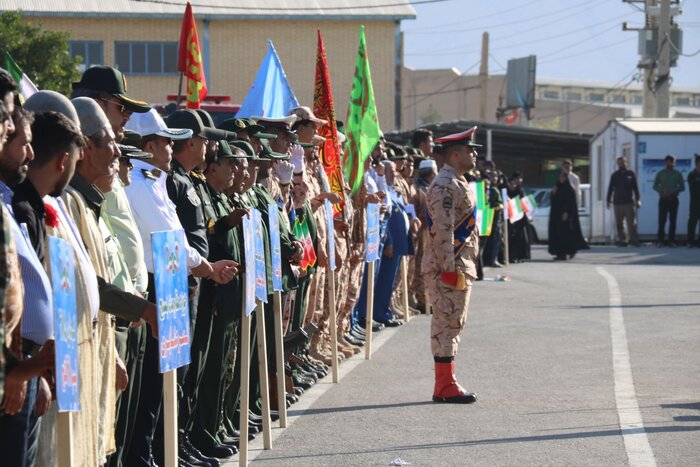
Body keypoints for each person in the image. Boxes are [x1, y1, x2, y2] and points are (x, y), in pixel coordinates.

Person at [424, 127, 480, 405]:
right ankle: (445, 385)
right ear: (455, 154)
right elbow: (443, 231)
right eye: (470, 149)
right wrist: (448, 268)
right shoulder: (446, 184)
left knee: (452, 324)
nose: (474, 153)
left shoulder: (457, 181)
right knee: (446, 324)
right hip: (449, 266)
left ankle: (447, 382)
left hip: (458, 264)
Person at [548, 171, 589, 260]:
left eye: (563, 177)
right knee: (557, 234)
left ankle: (566, 252)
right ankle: (560, 253)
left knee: (564, 235)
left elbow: (570, 203)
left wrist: (566, 212)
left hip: (565, 216)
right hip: (556, 216)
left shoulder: (569, 189)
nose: (561, 179)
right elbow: (553, 201)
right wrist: (553, 193)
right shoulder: (557, 188)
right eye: (560, 177)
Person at [606, 156, 641, 247]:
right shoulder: (614, 175)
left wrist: (638, 200)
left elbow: (636, 188)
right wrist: (608, 200)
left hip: (629, 202)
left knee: (631, 223)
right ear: (617, 164)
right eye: (619, 163)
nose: (621, 164)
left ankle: (634, 240)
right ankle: (623, 240)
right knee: (619, 223)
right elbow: (610, 188)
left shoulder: (631, 174)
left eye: (623, 162)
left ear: (626, 163)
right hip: (617, 203)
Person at [653, 154, 684, 246]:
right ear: (665, 162)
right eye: (667, 162)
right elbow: (655, 186)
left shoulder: (678, 174)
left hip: (673, 199)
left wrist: (673, 190)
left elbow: (682, 187)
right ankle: (660, 240)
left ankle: (671, 241)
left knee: (673, 220)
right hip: (663, 199)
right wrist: (662, 190)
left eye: (671, 162)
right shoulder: (660, 173)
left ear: (674, 163)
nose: (669, 163)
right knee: (662, 220)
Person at [506, 172, 531, 263]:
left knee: (521, 237)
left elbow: (524, 203)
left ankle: (521, 255)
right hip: (511, 219)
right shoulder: (507, 192)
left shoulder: (520, 190)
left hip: (521, 218)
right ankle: (512, 256)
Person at [688, 155, 700, 247]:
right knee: (692, 222)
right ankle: (690, 241)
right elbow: (693, 189)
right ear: (696, 163)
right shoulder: (692, 175)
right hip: (695, 203)